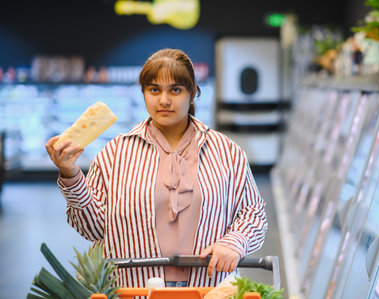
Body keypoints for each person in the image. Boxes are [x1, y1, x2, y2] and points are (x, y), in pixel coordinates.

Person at [45, 48, 267, 289]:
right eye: (154, 90)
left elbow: (253, 212)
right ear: (143, 93)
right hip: (134, 289)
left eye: (176, 90)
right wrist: (71, 174)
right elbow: (94, 229)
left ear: (193, 94)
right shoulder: (114, 154)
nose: (164, 100)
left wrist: (234, 242)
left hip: (208, 288)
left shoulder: (227, 152)